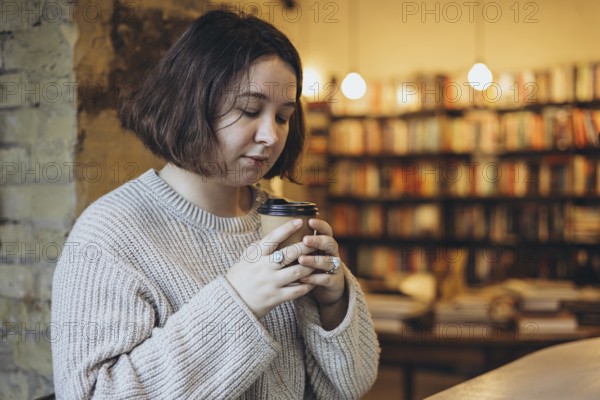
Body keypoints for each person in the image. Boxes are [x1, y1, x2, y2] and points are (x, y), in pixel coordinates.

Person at [51, 9, 380, 399]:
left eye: (284, 116)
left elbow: (351, 387)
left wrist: (334, 303)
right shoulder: (110, 236)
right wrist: (239, 300)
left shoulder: (277, 219)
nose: (271, 136)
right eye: (250, 111)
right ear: (191, 103)